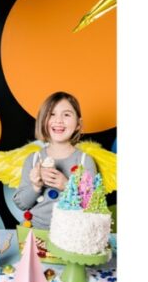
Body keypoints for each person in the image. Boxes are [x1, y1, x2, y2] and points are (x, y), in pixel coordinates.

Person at [13, 92, 97, 229]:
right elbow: (21, 204)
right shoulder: (34, 159)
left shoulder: (84, 161)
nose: (58, 120)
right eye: (52, 114)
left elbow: (92, 205)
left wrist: (67, 186)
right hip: (36, 232)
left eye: (67, 115)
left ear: (78, 124)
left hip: (72, 234)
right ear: (43, 120)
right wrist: (35, 186)